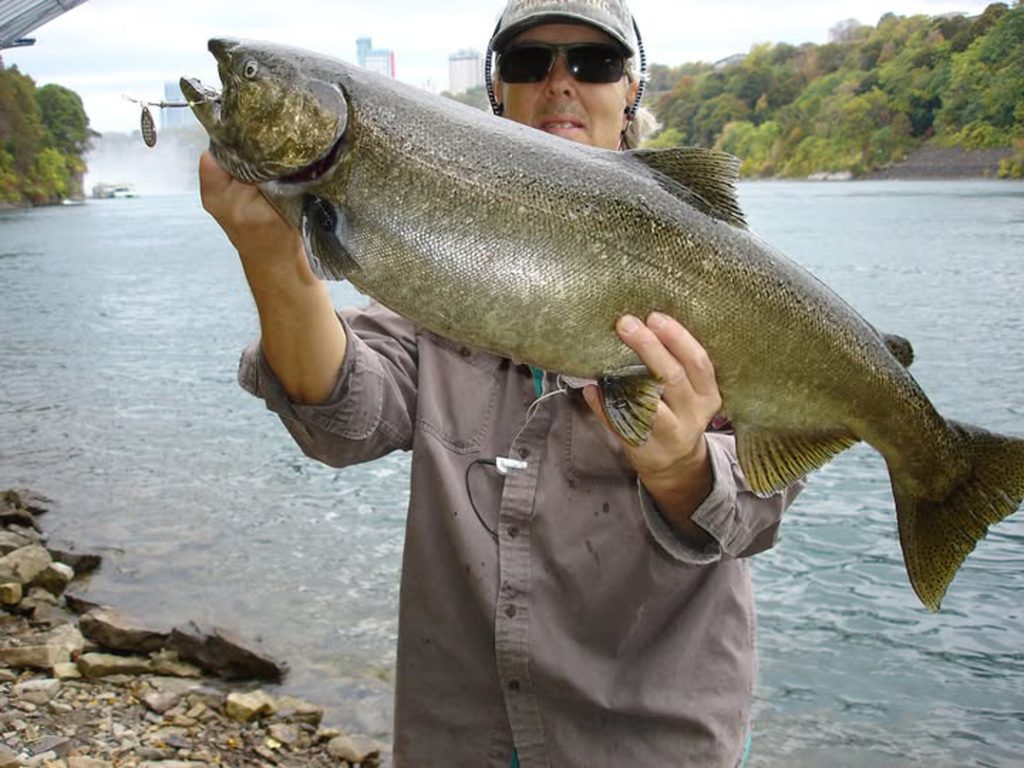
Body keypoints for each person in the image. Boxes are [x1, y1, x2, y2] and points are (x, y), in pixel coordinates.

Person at [199, 0, 804, 765]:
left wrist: (685, 471)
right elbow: (341, 421)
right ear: (496, 93)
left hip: (655, 741)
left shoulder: (716, 279)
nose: (559, 84)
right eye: (528, 63)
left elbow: (759, 511)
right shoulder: (432, 271)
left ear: (633, 92)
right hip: (459, 736)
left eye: (593, 64)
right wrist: (270, 261)